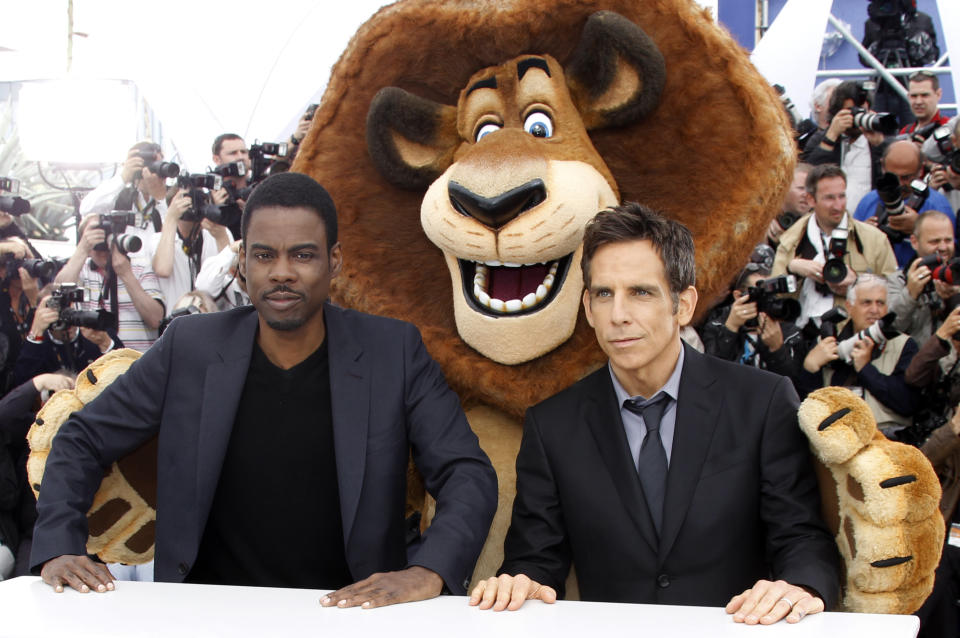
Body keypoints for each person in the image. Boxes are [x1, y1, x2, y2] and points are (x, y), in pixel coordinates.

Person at [30, 172, 497, 608]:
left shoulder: (392, 350)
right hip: (209, 611)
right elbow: (81, 438)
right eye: (264, 255)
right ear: (242, 262)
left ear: (334, 260)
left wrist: (430, 569)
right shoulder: (190, 347)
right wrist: (58, 548)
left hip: (352, 612)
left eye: (303, 254)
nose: (282, 272)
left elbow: (466, 471)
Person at [470, 203, 840, 623]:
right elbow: (535, 559)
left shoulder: (762, 401)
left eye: (641, 293)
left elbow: (801, 536)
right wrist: (520, 581)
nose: (619, 315)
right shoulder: (553, 425)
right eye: (604, 295)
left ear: (683, 305)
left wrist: (801, 586)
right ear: (588, 308)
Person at [772, 164, 897, 328]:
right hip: (801, 336)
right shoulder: (791, 240)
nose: (838, 206)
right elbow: (774, 298)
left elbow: (894, 296)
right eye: (829, 198)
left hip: (853, 338)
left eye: (842, 196)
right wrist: (792, 269)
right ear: (810, 199)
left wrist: (857, 286)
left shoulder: (874, 240)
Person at [799, 274, 920, 437]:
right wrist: (810, 368)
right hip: (835, 437)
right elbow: (807, 408)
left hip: (886, 439)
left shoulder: (904, 344)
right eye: (866, 303)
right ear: (849, 307)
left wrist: (865, 369)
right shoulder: (827, 342)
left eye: (881, 303)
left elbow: (906, 404)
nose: (874, 310)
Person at [54, 215, 164, 352]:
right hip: (94, 362)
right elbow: (57, 293)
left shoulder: (140, 267)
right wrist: (82, 249)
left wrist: (125, 274)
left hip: (138, 362)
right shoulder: (81, 269)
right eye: (93, 235)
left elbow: (155, 320)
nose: (102, 247)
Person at [853, 140, 954, 267]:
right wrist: (864, 234)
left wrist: (919, 228)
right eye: (893, 177)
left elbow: (951, 252)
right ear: (883, 167)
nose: (900, 184)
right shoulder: (869, 201)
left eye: (906, 178)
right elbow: (851, 249)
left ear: (920, 171)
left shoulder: (937, 205)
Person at [803, 81, 891, 213]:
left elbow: (892, 180)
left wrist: (879, 145)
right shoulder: (821, 139)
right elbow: (808, 177)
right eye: (852, 111)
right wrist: (831, 136)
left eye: (862, 111)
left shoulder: (879, 141)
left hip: (869, 221)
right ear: (837, 112)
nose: (857, 117)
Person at [149, 187, 233, 305]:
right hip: (176, 318)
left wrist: (221, 237)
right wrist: (171, 218)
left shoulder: (218, 232)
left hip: (213, 317)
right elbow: (163, 269)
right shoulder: (159, 239)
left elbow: (233, 274)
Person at [886, 211, 959, 344]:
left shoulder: (957, 280)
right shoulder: (896, 281)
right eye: (935, 241)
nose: (943, 247)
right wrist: (910, 295)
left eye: (948, 240)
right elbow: (890, 329)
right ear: (914, 242)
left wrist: (954, 296)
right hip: (913, 362)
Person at [78, 142, 171, 239]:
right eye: (153, 167)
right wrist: (122, 178)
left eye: (161, 166)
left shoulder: (173, 196)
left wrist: (161, 199)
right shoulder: (121, 196)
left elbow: (177, 235)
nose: (159, 174)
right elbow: (86, 209)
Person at [766, 163, 812, 247]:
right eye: (801, 188)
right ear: (784, 188)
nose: (806, 195)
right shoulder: (762, 218)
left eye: (811, 190)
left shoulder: (815, 227)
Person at [899, 71, 949, 136]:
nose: (918, 102)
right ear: (908, 96)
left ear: (938, 95)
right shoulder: (905, 132)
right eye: (914, 96)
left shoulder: (951, 129)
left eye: (925, 95)